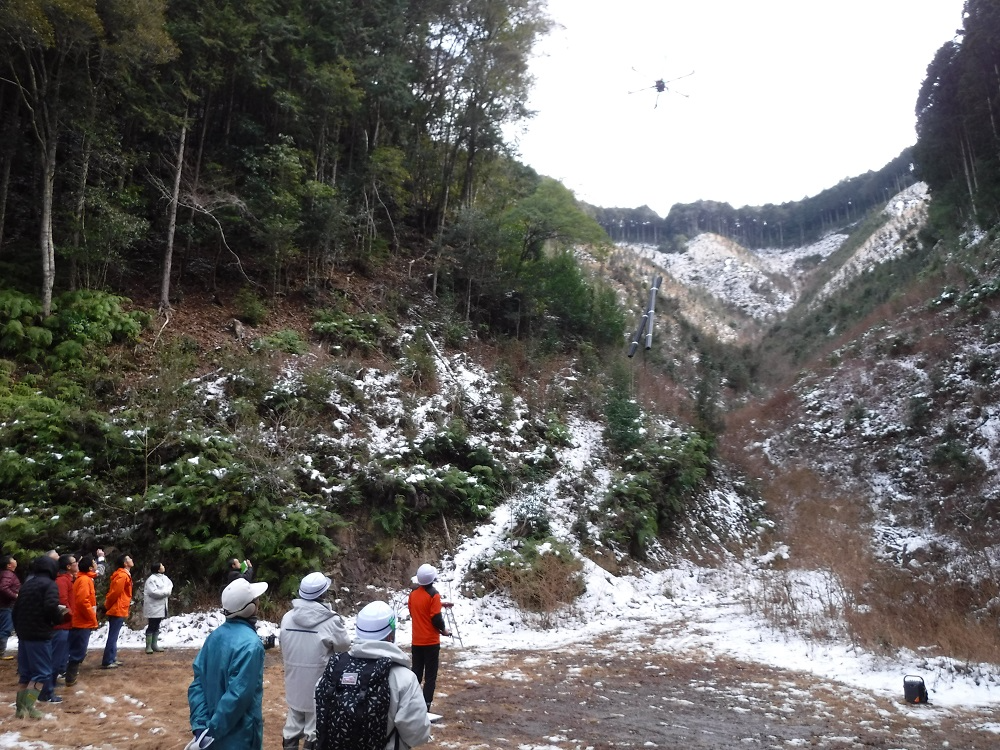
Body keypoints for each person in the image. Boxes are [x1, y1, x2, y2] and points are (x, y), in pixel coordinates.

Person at [315, 600, 430, 750]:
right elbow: (417, 733)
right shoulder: (404, 678)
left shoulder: (335, 670)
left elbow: (320, 715)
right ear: (391, 635)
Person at [187, 577, 268, 750]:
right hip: (239, 736)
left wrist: (202, 727)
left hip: (213, 733)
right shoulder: (251, 645)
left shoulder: (214, 636)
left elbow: (197, 684)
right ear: (250, 608)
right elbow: (238, 696)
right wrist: (213, 730)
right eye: (255, 599)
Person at [279, 572, 350, 750]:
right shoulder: (331, 621)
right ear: (323, 594)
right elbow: (344, 647)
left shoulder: (287, 618)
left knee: (292, 725)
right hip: (319, 687)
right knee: (314, 729)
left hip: (293, 683)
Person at [12, 556, 65, 719]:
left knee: (26, 674)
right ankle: (29, 707)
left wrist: (20, 630)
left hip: (24, 634)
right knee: (42, 673)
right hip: (40, 634)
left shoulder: (27, 585)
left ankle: (20, 710)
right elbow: (50, 607)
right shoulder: (50, 585)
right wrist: (58, 617)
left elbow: (16, 610)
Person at [407, 563, 451, 712]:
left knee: (416, 674)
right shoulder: (434, 594)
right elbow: (436, 618)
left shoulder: (413, 594)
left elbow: (415, 612)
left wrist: (439, 604)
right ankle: (426, 707)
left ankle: (410, 703)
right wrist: (444, 630)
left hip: (417, 640)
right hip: (431, 642)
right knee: (430, 676)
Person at [40, 554, 77, 702]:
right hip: (61, 625)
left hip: (65, 625)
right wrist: (70, 615)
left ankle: (51, 685)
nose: (77, 564)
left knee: (59, 657)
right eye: (74, 562)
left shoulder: (68, 579)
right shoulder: (62, 581)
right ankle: (47, 690)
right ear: (68, 566)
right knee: (55, 659)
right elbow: (61, 603)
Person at [66, 555, 99, 686]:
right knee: (78, 650)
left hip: (81, 620)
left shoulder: (83, 579)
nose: (96, 564)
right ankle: (70, 677)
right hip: (82, 621)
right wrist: (92, 617)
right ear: (90, 567)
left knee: (77, 648)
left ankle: (69, 675)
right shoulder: (85, 580)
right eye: (94, 562)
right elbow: (82, 601)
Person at [101, 553, 133, 669]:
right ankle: (107, 660)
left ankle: (112, 657)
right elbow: (115, 593)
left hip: (119, 607)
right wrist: (107, 605)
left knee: (114, 635)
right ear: (125, 563)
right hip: (117, 608)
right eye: (129, 558)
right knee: (113, 635)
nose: (131, 560)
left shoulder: (124, 575)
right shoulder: (122, 576)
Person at [143, 562, 173, 654]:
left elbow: (170, 585)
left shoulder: (165, 578)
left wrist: (166, 591)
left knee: (157, 625)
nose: (163, 567)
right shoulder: (151, 579)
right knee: (152, 625)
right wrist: (165, 593)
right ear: (158, 569)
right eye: (162, 566)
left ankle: (154, 644)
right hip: (153, 606)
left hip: (162, 605)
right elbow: (153, 592)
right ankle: (148, 646)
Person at [0, 555, 20, 659]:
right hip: (6, 606)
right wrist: (15, 596)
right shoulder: (8, 574)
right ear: (9, 565)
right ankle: (1, 652)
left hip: (3, 605)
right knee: (5, 629)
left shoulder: (4, 573)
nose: (15, 561)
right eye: (13, 560)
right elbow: (3, 587)